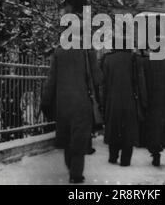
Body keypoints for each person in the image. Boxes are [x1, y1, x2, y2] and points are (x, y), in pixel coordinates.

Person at [41, 47, 102, 184]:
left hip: (63, 103)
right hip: (82, 102)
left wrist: (45, 101)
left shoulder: (59, 52)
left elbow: (51, 79)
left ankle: (71, 165)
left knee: (68, 136)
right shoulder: (87, 51)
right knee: (79, 139)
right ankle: (76, 174)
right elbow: (97, 78)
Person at [101, 46, 147, 167]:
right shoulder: (134, 59)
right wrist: (143, 102)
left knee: (114, 128)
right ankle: (125, 160)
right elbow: (140, 81)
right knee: (128, 131)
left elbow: (103, 84)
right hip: (130, 100)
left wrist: (103, 103)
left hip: (113, 100)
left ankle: (112, 156)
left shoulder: (108, 59)